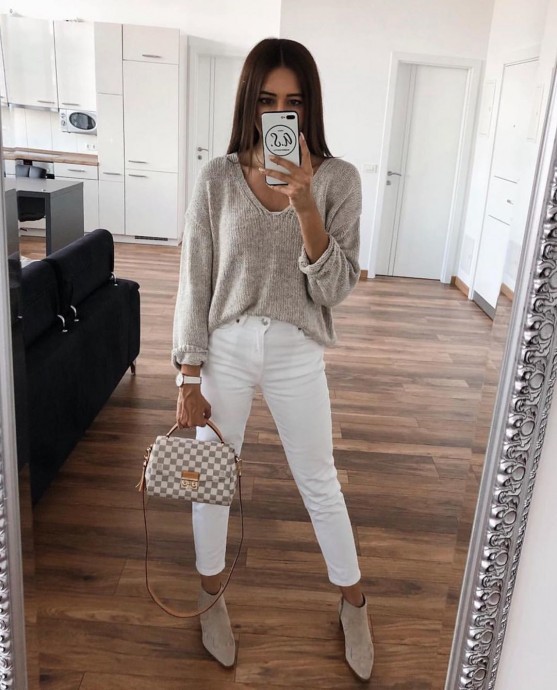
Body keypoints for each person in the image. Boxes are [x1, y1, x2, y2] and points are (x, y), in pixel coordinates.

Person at [172, 37, 374, 681]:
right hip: (225, 349)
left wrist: (306, 203)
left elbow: (335, 288)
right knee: (210, 478)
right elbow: (195, 280)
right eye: (266, 99)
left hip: (296, 349)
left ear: (309, 106)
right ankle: (210, 596)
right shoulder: (216, 177)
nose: (279, 112)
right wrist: (187, 373)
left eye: (293, 100)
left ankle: (354, 603)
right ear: (249, 104)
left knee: (320, 481)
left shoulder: (339, 180)